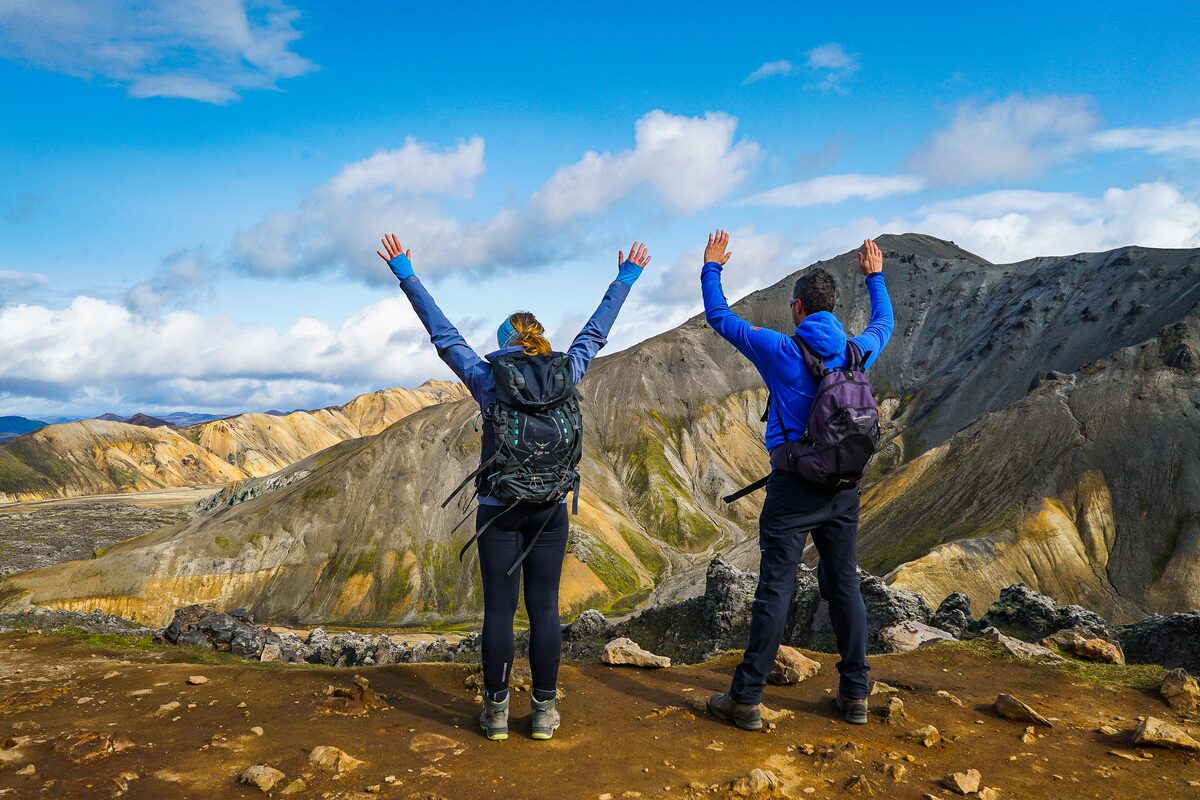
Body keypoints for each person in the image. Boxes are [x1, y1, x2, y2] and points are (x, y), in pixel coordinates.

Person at [377, 233, 651, 741]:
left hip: (499, 508)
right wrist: (626, 278)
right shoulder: (567, 370)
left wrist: (406, 273)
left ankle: (498, 713)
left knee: (500, 611)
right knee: (544, 608)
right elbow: (596, 331)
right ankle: (544, 714)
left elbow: (445, 336)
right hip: (550, 509)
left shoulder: (488, 378)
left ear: (506, 342)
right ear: (541, 339)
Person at [700, 231, 894, 728]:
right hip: (844, 491)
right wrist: (875, 276)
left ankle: (746, 700)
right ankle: (854, 696)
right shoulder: (856, 353)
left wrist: (712, 268)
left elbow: (721, 320)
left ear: (798, 307)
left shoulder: (781, 351)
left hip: (791, 491)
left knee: (775, 591)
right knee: (844, 587)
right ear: (832, 309)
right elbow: (884, 323)